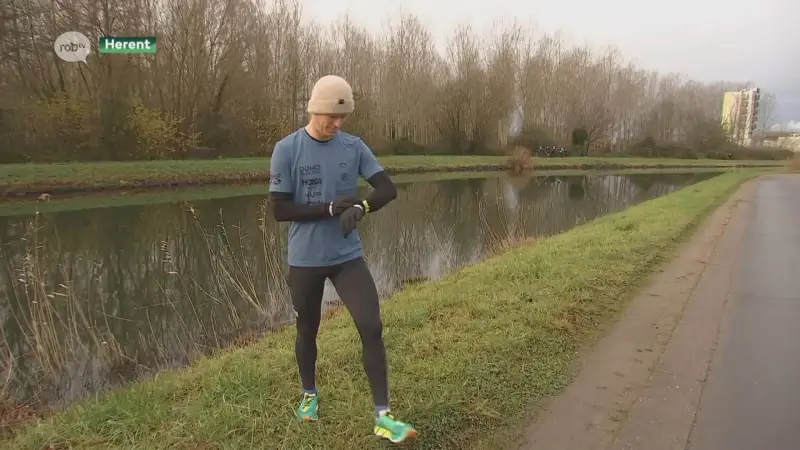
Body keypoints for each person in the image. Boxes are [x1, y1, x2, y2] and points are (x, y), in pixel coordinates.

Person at [268, 74, 418, 444]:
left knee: (371, 325)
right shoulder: (287, 149)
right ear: (314, 110)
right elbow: (280, 210)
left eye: (343, 118)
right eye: (331, 117)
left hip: (347, 257)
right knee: (308, 328)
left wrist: (363, 207)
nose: (337, 125)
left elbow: (388, 188)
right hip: (305, 260)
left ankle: (383, 416)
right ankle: (309, 395)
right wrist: (329, 208)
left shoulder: (353, 147)